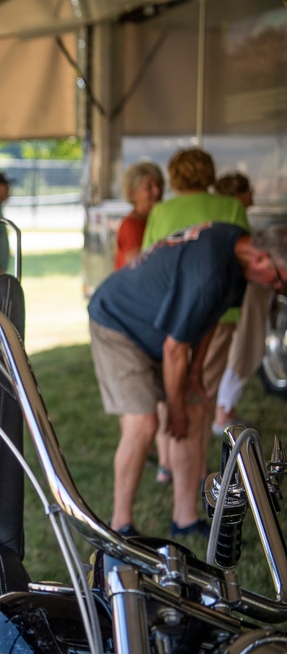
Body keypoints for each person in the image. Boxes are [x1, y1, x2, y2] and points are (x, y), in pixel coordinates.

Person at [88, 222, 287, 540]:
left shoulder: (237, 255)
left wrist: (195, 374)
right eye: (278, 280)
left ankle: (184, 519)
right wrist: (175, 405)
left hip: (160, 332)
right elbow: (175, 348)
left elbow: (212, 317)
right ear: (261, 258)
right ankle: (119, 527)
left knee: (195, 414)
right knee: (144, 424)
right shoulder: (209, 272)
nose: (276, 287)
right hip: (118, 321)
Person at [141, 148, 249, 487]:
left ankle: (169, 465)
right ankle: (198, 470)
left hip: (169, 314)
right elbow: (244, 263)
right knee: (203, 391)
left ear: (175, 176)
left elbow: (148, 261)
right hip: (218, 312)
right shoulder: (231, 207)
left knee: (168, 386)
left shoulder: (161, 211)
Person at [212, 172, 266, 434]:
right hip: (237, 304)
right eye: (249, 190)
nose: (253, 195)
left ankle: (223, 411)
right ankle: (222, 414)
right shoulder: (234, 214)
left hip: (226, 303)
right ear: (238, 195)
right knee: (240, 351)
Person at [114, 161, 164, 269]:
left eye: (159, 184)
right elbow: (137, 267)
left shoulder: (152, 220)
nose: (157, 191)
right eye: (149, 187)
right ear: (132, 193)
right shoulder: (131, 226)